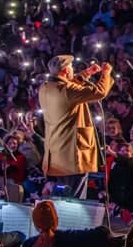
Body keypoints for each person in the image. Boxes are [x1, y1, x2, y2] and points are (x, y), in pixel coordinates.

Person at [38, 56, 114, 193]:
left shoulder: (45, 88)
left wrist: (86, 74)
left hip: (56, 155)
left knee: (61, 196)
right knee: (73, 200)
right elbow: (100, 92)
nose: (73, 70)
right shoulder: (68, 90)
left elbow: (67, 86)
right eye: (71, 67)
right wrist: (106, 74)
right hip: (72, 155)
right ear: (66, 71)